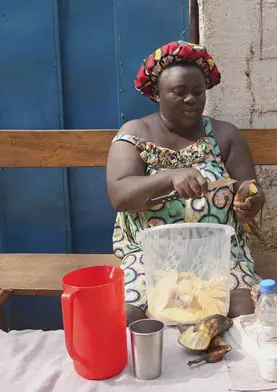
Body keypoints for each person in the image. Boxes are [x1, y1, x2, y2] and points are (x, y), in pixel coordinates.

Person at [106, 40, 266, 326]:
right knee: (128, 318)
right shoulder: (135, 133)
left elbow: (248, 188)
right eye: (179, 92)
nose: (191, 99)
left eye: (197, 91)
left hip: (219, 255)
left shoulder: (224, 135)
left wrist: (250, 201)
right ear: (157, 94)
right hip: (150, 258)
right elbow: (119, 195)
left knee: (245, 311)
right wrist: (170, 176)